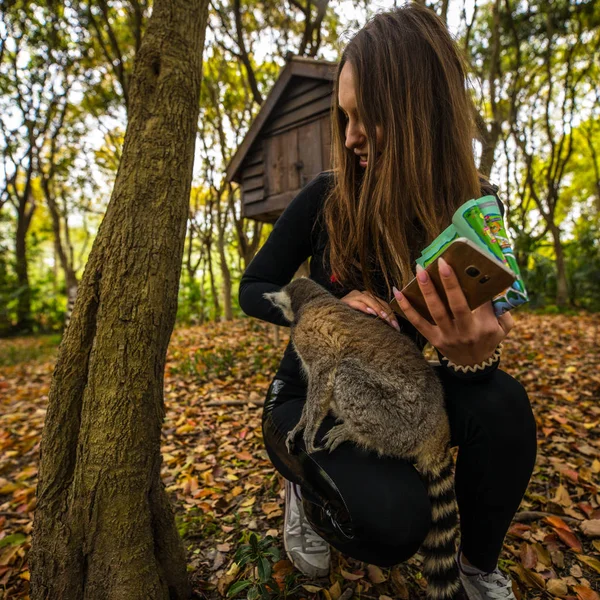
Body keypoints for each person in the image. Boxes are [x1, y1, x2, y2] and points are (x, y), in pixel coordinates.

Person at [238, 4, 537, 599]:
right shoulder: (325, 196)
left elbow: (470, 351)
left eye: (365, 116)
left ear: (420, 108)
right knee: (392, 524)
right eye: (343, 117)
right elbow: (253, 289)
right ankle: (305, 482)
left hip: (396, 388)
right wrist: (324, 303)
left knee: (503, 407)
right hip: (311, 393)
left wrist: (473, 356)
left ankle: (476, 567)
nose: (348, 138)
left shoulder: (475, 210)